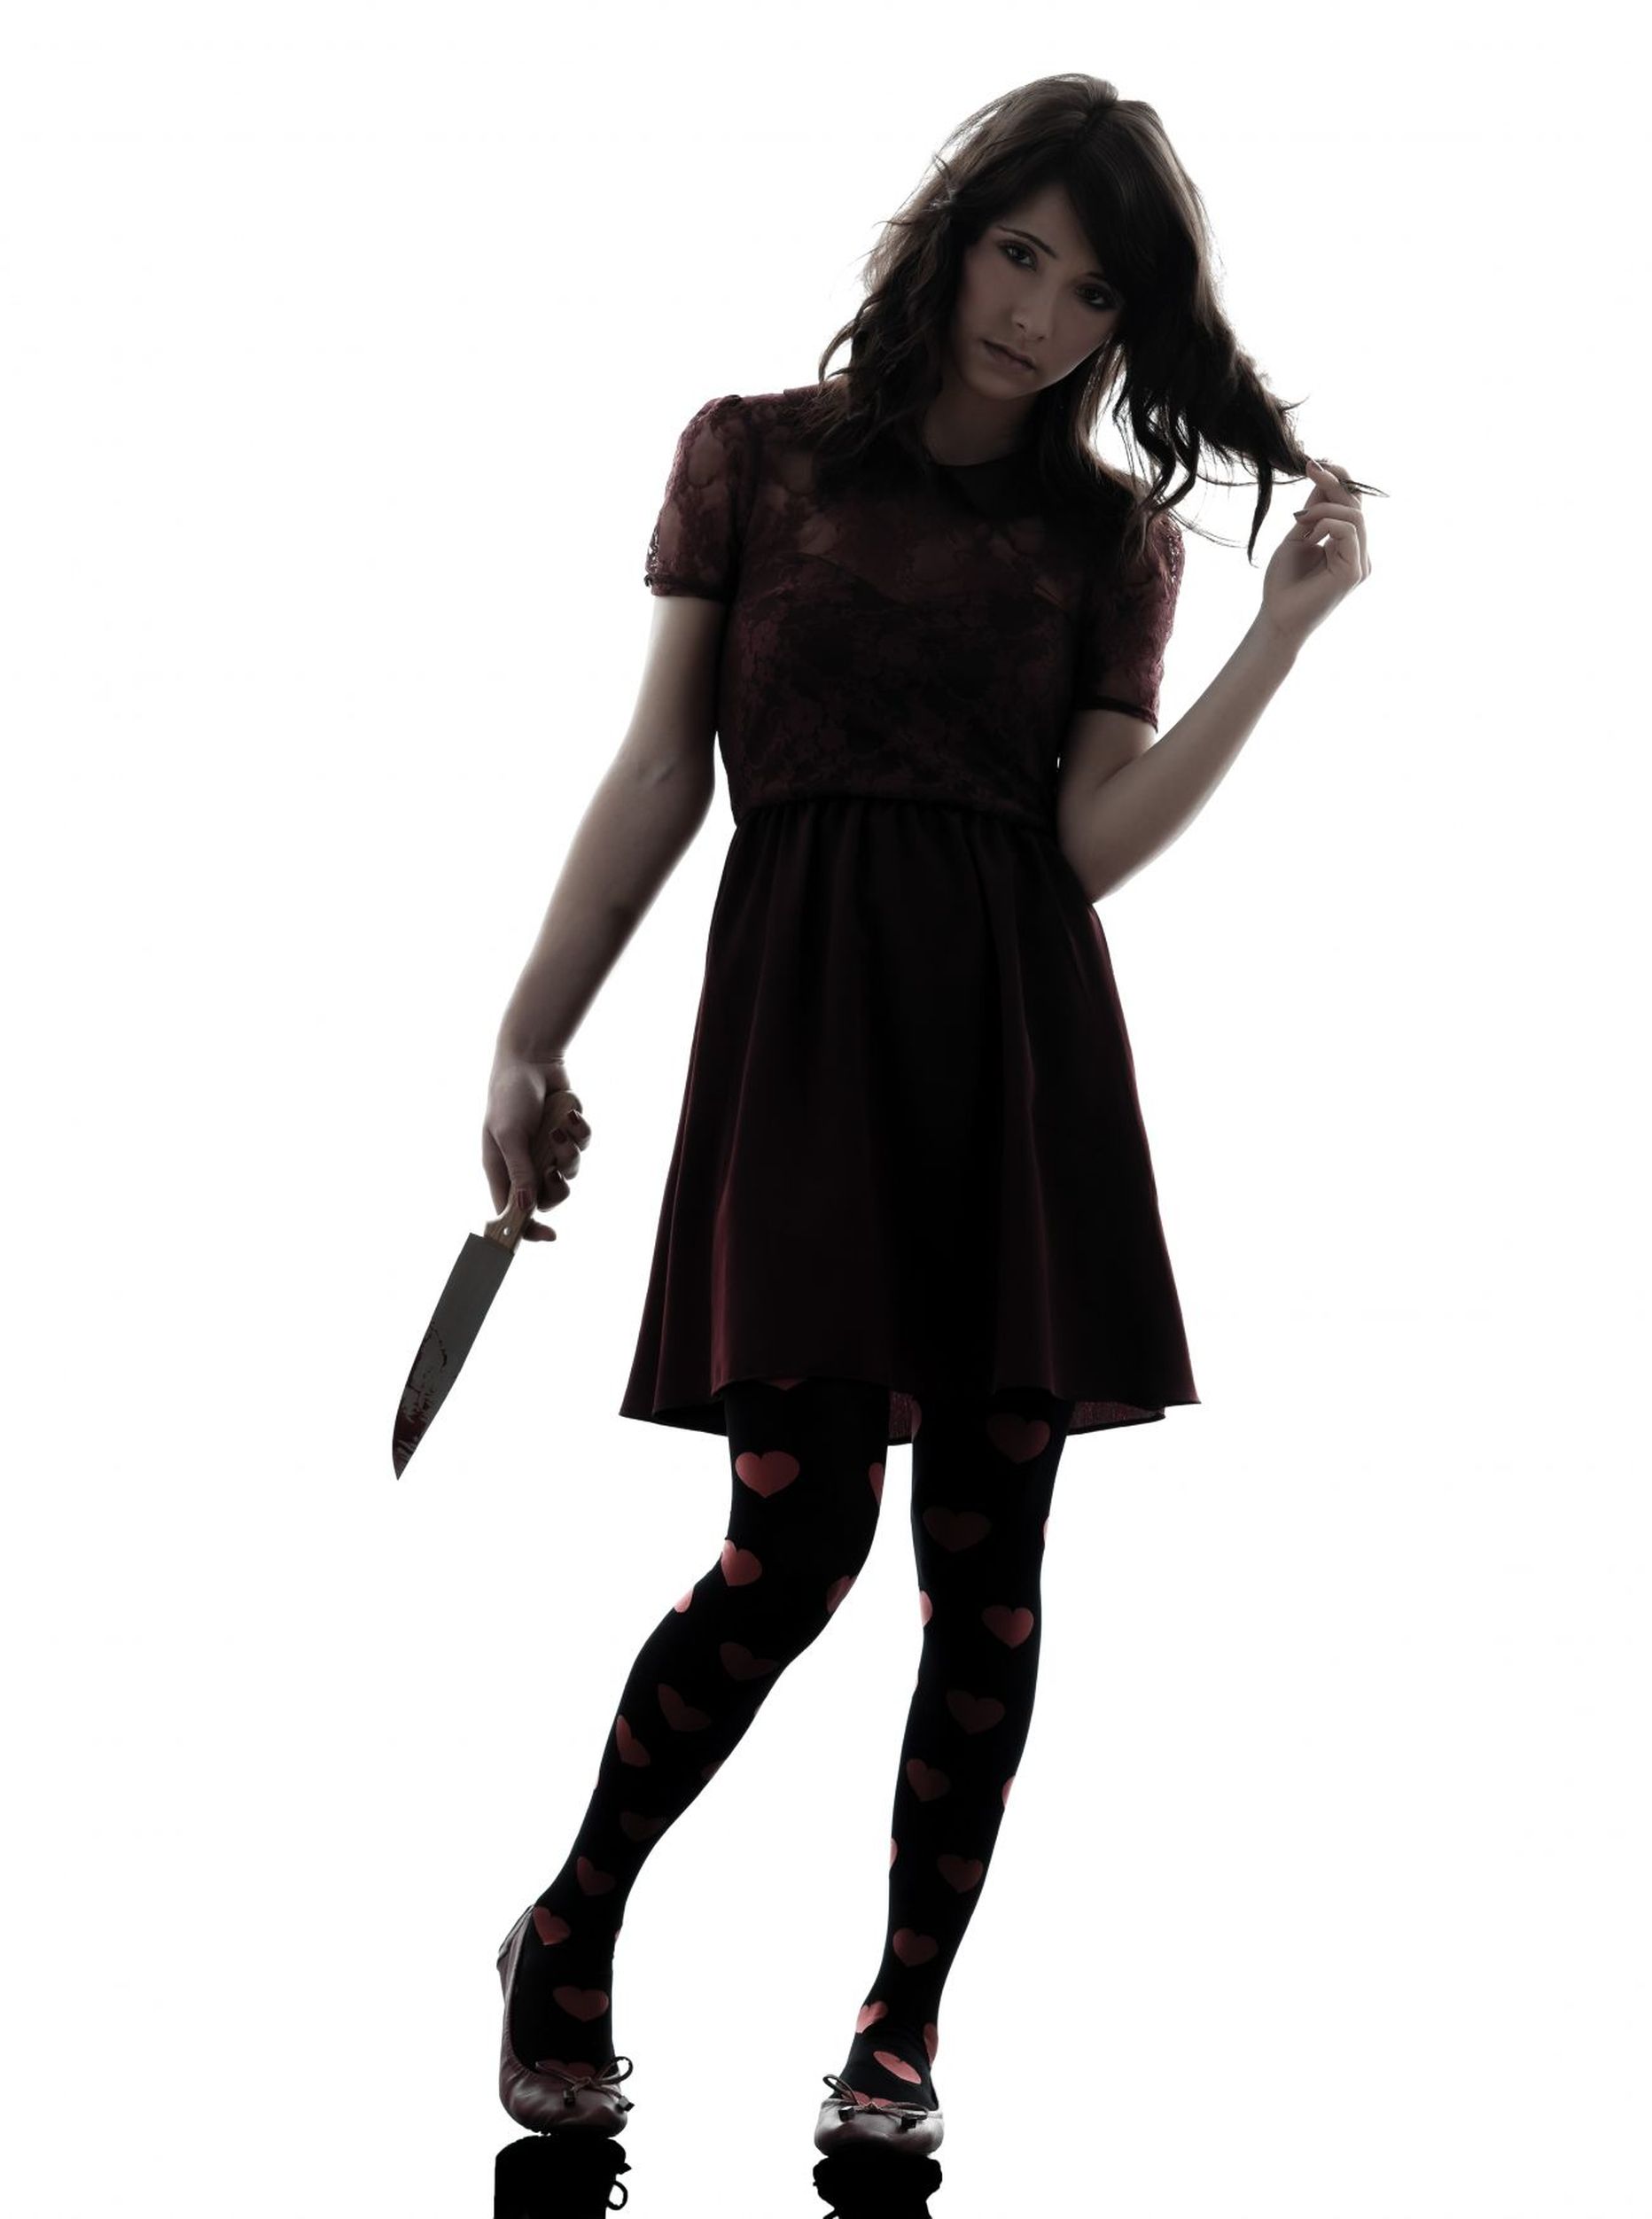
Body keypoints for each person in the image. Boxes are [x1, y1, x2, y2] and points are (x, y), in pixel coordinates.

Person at [480, 72, 1376, 2157]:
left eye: (1093, 292)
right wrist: (530, 1030)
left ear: (1131, 325)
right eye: (1017, 254)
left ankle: (899, 2021)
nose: (1040, 314)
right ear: (950, 235)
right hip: (803, 1046)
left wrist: (1279, 637)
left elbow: (1087, 842)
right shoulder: (751, 458)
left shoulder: (1105, 541)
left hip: (1015, 1063)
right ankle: (567, 1923)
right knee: (787, 1549)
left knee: (988, 1571)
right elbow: (658, 772)